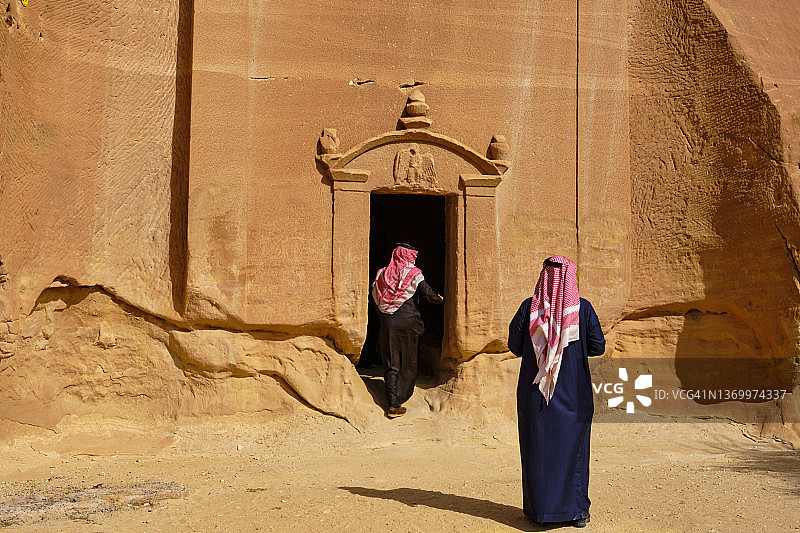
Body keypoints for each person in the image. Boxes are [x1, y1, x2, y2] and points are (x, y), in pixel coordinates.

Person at [507, 256, 605, 528]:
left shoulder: (530, 308)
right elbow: (598, 346)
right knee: (573, 452)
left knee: (537, 449)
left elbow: (514, 345)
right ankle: (576, 512)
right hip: (574, 394)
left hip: (536, 394)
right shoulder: (583, 310)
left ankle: (539, 512)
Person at [372, 243, 443, 418]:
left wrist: (385, 317)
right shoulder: (414, 273)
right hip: (409, 322)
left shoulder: (382, 273)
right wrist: (440, 300)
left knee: (391, 361)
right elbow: (428, 293)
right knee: (409, 359)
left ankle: (393, 403)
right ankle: (403, 395)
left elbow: (374, 296)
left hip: (388, 323)